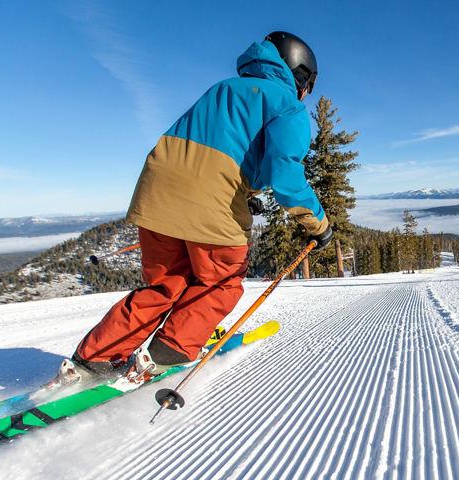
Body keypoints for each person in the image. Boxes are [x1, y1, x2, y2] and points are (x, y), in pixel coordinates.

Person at [55, 31, 333, 384]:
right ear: (300, 74)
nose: (307, 93)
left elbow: (214, 150)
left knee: (164, 284)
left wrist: (243, 189)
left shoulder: (223, 89)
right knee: (221, 281)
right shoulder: (288, 105)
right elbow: (287, 177)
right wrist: (319, 225)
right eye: (309, 83)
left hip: (156, 191)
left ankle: (92, 360)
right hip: (212, 200)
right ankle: (166, 352)